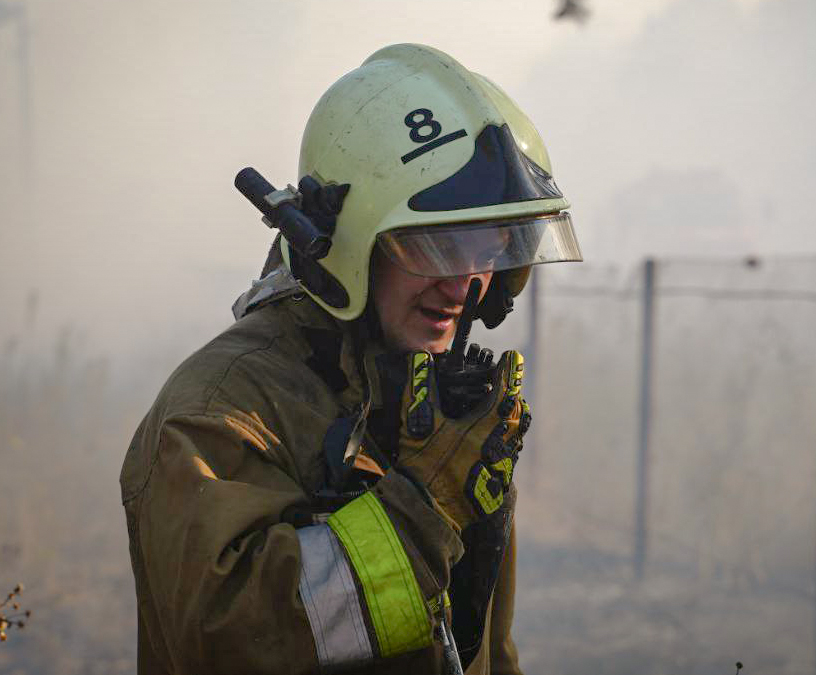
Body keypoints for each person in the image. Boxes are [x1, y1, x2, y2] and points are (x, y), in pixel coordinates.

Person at [119, 43, 582, 674]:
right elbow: (223, 641)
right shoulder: (221, 409)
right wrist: (424, 510)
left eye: (492, 242)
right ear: (348, 247)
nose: (465, 284)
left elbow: (485, 657)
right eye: (438, 246)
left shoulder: (445, 417)